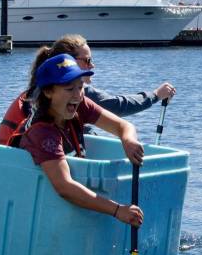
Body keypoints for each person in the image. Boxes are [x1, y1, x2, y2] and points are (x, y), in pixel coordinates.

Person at [20, 53, 144, 227]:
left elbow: (124, 126)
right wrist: (117, 210)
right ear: (48, 92)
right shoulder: (42, 131)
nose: (78, 95)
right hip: (34, 206)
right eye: (69, 89)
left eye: (80, 87)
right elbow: (64, 187)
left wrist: (128, 140)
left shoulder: (79, 104)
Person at [0, 34, 176, 146]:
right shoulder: (65, 95)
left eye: (80, 88)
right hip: (18, 158)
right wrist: (155, 95)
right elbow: (116, 105)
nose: (93, 65)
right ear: (68, 62)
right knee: (89, 134)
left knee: (87, 132)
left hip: (12, 155)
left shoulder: (56, 91)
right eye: (87, 60)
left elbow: (116, 121)